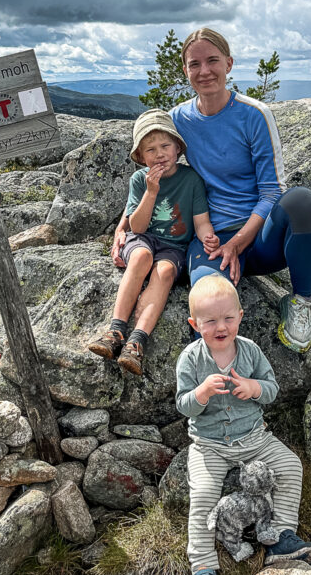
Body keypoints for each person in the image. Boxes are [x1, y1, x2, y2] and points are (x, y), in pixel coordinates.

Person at [113, 28, 311, 351]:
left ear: (228, 63)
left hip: (260, 239)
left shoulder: (255, 115)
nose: (204, 71)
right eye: (194, 64)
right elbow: (154, 171)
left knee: (305, 204)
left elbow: (272, 191)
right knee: (211, 307)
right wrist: (122, 226)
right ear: (185, 71)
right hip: (210, 240)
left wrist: (238, 244)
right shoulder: (178, 121)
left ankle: (300, 303)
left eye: (212, 60)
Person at [176, 274, 311, 575]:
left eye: (228, 318)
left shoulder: (250, 351)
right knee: (202, 495)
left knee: (290, 466)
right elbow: (183, 404)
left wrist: (254, 388)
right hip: (209, 444)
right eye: (210, 321)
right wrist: (201, 393)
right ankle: (203, 569)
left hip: (255, 438)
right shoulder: (191, 358)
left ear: (240, 317)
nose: (220, 326)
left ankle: (281, 537)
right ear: (195, 324)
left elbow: (271, 389)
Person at [89, 109, 218, 376]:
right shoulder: (140, 180)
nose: (159, 154)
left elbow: (201, 220)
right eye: (150, 150)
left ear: (178, 148)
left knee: (166, 271)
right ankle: (115, 330)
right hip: (142, 239)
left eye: (165, 146)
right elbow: (136, 227)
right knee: (141, 257)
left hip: (174, 246)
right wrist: (152, 191)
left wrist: (208, 236)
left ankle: (136, 341)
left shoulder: (191, 180)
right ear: (141, 157)